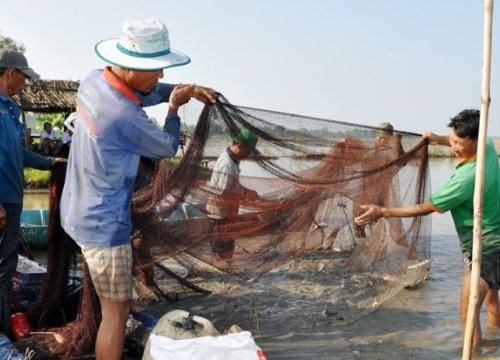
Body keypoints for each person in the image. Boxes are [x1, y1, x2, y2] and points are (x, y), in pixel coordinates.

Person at [60, 18, 216, 360]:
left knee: (117, 301)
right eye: (155, 69)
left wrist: (182, 89)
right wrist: (174, 108)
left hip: (75, 212)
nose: (159, 76)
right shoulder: (124, 117)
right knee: (113, 317)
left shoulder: (92, 81)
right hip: (104, 226)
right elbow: (166, 146)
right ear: (130, 66)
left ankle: (124, 297)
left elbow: (143, 92)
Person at [355, 109, 500, 348]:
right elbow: (455, 142)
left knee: (468, 310)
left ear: (474, 140)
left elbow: (425, 207)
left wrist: (383, 212)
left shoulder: (466, 179)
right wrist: (436, 138)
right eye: (451, 140)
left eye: (457, 143)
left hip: (483, 247)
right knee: (492, 297)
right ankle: (494, 339)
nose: (452, 146)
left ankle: (475, 353)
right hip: (497, 238)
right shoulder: (487, 146)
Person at [0, 49, 65, 337]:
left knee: (6, 265)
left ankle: (3, 324)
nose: (25, 83)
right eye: (24, 77)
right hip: (1, 201)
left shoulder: (11, 111)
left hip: (13, 199)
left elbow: (19, 152)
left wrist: (51, 162)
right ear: (10, 73)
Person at [206, 128, 261, 261]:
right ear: (240, 147)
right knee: (222, 246)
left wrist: (247, 192)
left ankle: (224, 266)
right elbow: (224, 191)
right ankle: (220, 268)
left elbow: (232, 185)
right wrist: (246, 194)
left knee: (226, 243)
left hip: (226, 211)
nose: (248, 155)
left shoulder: (231, 158)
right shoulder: (227, 165)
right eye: (248, 151)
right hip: (220, 212)